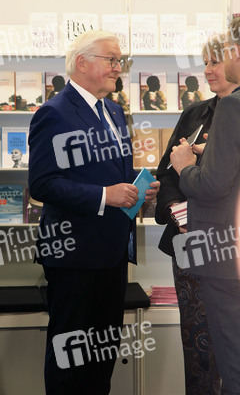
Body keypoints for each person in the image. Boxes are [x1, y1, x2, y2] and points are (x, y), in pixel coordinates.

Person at [28, 29, 160, 395]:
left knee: (102, 358)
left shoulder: (116, 112)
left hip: (113, 254)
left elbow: (116, 179)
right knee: (70, 362)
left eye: (120, 60)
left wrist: (139, 189)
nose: (119, 67)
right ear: (82, 62)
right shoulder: (52, 114)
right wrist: (105, 196)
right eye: (112, 59)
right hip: (73, 256)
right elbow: (42, 184)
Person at [170, 13, 240, 395]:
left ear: (239, 51)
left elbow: (210, 186)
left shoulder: (236, 105)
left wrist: (185, 167)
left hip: (229, 259)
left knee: (237, 362)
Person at [156, 35, 237, 395]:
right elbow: (167, 171)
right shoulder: (195, 113)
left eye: (215, 62)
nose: (207, 70)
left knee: (239, 351)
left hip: (239, 251)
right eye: (205, 62)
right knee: (198, 346)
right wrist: (180, 213)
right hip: (190, 249)